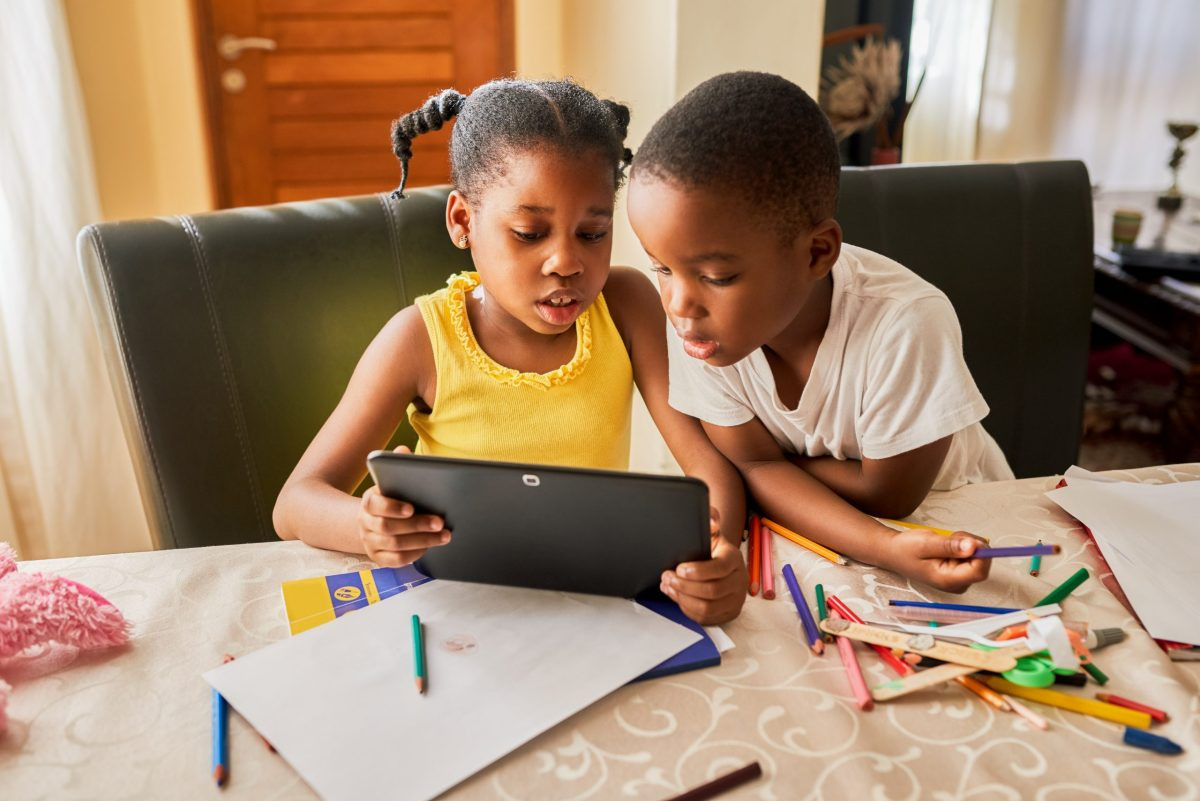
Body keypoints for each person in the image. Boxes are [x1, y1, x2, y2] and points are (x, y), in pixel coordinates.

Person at [273, 78, 746, 623]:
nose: (566, 262)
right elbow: (297, 501)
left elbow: (705, 464)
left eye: (592, 234)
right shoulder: (419, 340)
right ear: (462, 222)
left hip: (588, 602)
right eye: (528, 232)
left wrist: (717, 555)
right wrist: (368, 526)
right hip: (456, 609)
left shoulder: (625, 305)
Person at [626, 71, 1014, 593]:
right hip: (836, 533)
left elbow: (885, 496)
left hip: (956, 526)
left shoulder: (905, 323)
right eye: (662, 269)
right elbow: (752, 464)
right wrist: (758, 470)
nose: (678, 305)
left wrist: (769, 467)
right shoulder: (703, 325)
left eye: (717, 277)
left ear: (817, 252)